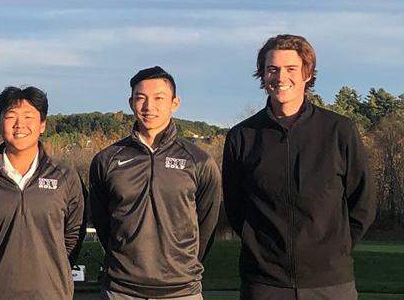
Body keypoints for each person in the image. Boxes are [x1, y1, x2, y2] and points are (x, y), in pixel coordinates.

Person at [222, 34, 377, 300]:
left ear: (307, 73)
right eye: (272, 69)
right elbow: (236, 208)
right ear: (262, 75)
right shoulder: (242, 136)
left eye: (291, 69)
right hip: (264, 283)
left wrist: (333, 249)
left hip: (331, 283)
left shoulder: (339, 130)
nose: (281, 77)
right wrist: (262, 250)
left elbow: (363, 202)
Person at [89, 66, 221, 300]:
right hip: (121, 291)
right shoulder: (107, 160)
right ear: (131, 103)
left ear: (175, 103)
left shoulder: (198, 160)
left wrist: (182, 265)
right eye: (141, 98)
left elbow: (207, 222)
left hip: (182, 291)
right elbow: (103, 223)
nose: (149, 107)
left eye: (159, 98)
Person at [0, 86, 85, 300]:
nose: (20, 125)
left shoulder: (65, 177)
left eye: (29, 117)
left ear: (42, 124)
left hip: (51, 294)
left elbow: (73, 236)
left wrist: (53, 271)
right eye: (11, 117)